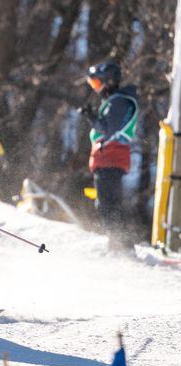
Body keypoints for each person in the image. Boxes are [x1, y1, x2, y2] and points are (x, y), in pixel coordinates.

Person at [78, 61, 138, 249]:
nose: (96, 89)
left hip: (111, 159)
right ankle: (119, 244)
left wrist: (92, 117)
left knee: (108, 205)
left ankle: (121, 245)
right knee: (107, 204)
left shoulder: (119, 101)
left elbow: (108, 129)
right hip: (107, 159)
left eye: (97, 83)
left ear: (109, 81)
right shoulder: (115, 101)